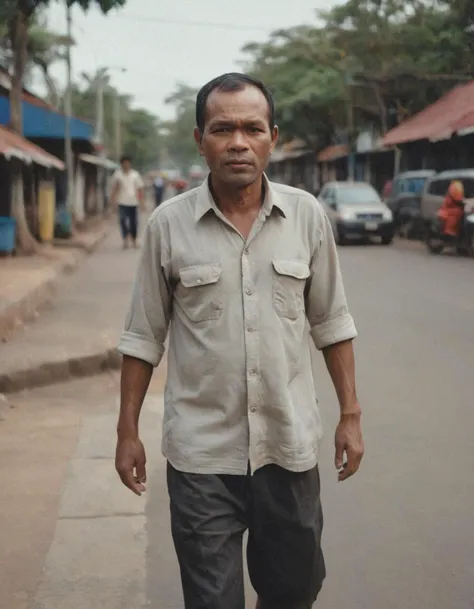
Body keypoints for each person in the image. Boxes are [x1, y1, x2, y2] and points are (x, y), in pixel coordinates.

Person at [115, 72, 364, 609]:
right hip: (202, 455)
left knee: (295, 590)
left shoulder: (307, 218)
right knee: (211, 600)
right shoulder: (167, 226)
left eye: (252, 128)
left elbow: (332, 323)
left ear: (272, 137)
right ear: (199, 138)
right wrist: (127, 430)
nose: (237, 142)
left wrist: (350, 414)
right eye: (222, 128)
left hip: (287, 446)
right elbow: (143, 337)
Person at [110, 155, 144, 249]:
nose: (126, 165)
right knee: (123, 221)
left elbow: (140, 189)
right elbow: (114, 188)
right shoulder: (117, 175)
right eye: (124, 163)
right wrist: (112, 202)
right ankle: (125, 238)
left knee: (134, 222)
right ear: (121, 164)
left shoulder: (135, 175)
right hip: (122, 202)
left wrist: (142, 202)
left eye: (128, 163)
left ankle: (134, 239)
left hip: (133, 202)